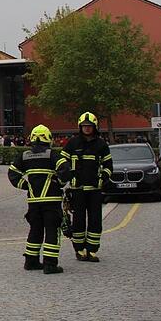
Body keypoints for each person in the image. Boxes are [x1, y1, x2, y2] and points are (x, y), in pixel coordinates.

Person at [8, 124, 70, 274]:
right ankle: (50, 264)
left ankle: (31, 261)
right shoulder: (53, 155)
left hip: (34, 202)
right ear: (48, 139)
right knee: (52, 230)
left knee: (35, 230)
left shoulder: (24, 156)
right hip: (51, 200)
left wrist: (26, 186)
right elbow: (66, 171)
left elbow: (12, 173)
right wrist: (59, 183)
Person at [60, 112, 112, 262]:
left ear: (94, 127)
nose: (87, 129)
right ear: (80, 127)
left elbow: (108, 166)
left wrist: (102, 179)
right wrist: (69, 176)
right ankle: (79, 249)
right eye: (84, 126)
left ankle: (92, 250)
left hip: (95, 190)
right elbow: (62, 163)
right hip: (78, 190)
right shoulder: (72, 143)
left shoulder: (101, 145)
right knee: (78, 220)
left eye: (89, 126)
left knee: (95, 220)